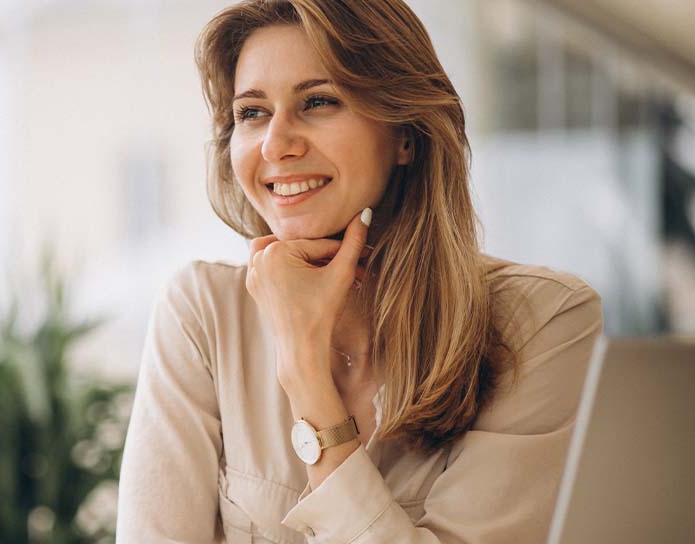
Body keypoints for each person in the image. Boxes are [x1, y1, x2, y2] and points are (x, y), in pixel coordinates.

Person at [115, 1, 603, 542]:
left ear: (406, 134)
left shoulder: (541, 321)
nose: (276, 145)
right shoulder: (203, 315)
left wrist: (305, 371)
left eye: (318, 101)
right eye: (251, 113)